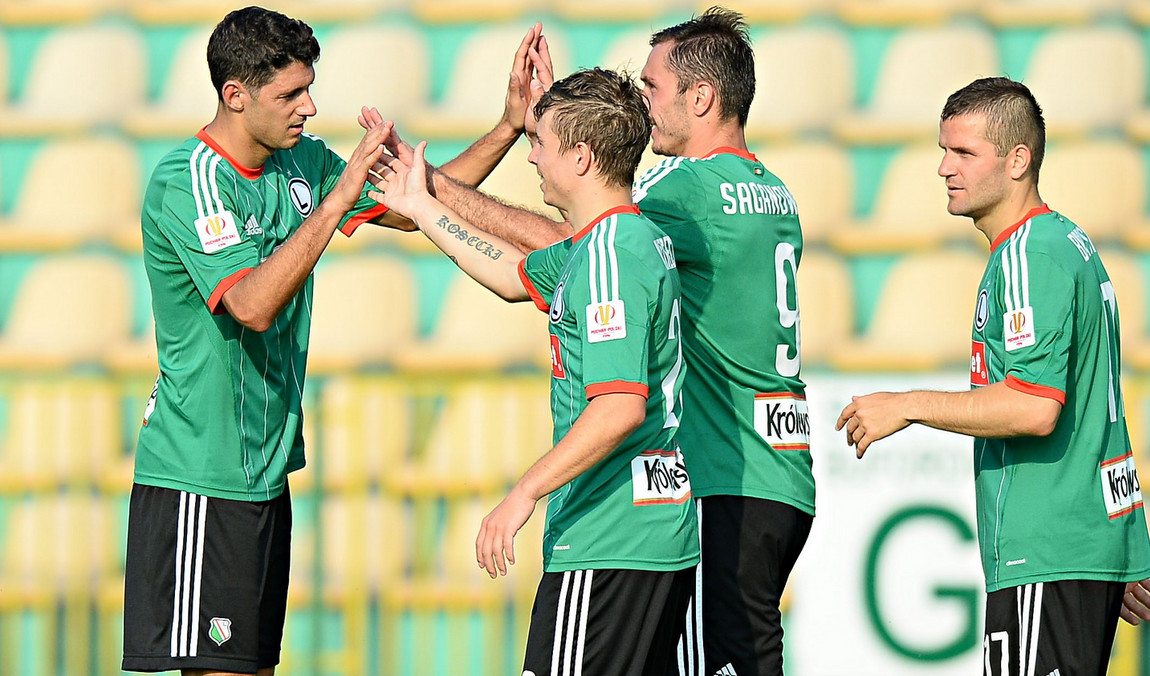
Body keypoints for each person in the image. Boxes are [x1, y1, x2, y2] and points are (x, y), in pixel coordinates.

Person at [362, 8, 811, 674]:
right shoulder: (768, 190)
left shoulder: (674, 201)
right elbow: (531, 269)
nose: (647, 105)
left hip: (706, 484)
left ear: (702, 96)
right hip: (772, 475)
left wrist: (431, 184)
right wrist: (432, 203)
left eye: (653, 88)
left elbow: (585, 245)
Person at [368, 67, 699, 675]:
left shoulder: (608, 257)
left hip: (607, 537)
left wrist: (524, 492)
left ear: (580, 157)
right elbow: (509, 273)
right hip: (652, 537)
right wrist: (419, 206)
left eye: (539, 142)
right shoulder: (619, 241)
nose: (532, 158)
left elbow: (619, 405)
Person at [121, 6, 415, 674]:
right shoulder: (187, 180)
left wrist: (508, 126)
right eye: (290, 93)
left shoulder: (302, 163)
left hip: (263, 475)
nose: (309, 107)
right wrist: (337, 202)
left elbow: (417, 206)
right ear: (236, 94)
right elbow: (250, 305)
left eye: (309, 88)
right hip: (201, 477)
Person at [835, 76, 1150, 675]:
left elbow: (1035, 408)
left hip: (1046, 549)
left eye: (964, 152)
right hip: (1075, 549)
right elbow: (1103, 408)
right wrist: (1117, 549)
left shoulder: (1030, 255)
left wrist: (907, 404)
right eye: (943, 150)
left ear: (1018, 160)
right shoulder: (1065, 243)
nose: (943, 167)